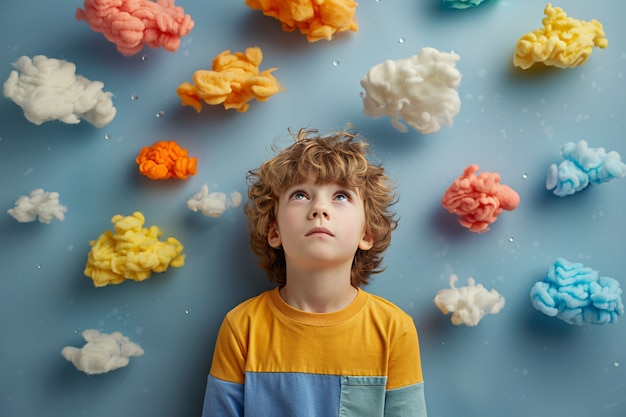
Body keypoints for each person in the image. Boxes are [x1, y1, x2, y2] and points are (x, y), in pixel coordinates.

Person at [201, 127, 427, 417]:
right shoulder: (241, 327)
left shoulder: (394, 330)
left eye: (341, 196)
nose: (319, 208)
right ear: (274, 231)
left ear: (367, 233)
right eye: (299, 195)